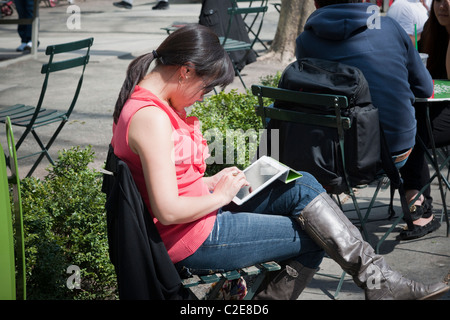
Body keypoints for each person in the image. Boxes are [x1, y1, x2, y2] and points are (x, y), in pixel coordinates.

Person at [109, 24, 449, 300]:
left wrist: (212, 183)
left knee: (299, 183)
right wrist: (220, 196)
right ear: (185, 71)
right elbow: (167, 211)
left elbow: (170, 182)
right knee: (316, 236)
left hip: (201, 215)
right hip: (194, 237)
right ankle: (379, 283)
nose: (203, 96)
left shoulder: (154, 104)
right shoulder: (150, 118)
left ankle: (380, 281)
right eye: (206, 87)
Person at [296, 0, 436, 239]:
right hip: (393, 154)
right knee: (410, 120)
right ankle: (416, 199)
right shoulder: (391, 27)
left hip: (330, 158)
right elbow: (424, 88)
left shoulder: (305, 41)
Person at [400, 0, 450, 238]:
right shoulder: (431, 32)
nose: (444, 6)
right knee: (406, 124)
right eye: (439, 0)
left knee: (414, 132)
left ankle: (419, 205)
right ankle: (416, 200)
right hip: (435, 108)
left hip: (442, 112)